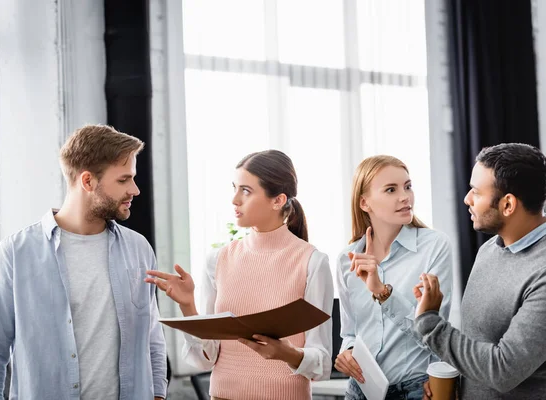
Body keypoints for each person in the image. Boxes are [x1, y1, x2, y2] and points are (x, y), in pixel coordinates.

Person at [0, 124, 168, 399]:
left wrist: (158, 393)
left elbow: (151, 336)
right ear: (88, 181)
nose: (135, 189)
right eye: (123, 180)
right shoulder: (15, 253)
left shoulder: (138, 249)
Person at [146, 150, 333, 400]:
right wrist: (188, 305)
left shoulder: (312, 262)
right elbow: (205, 359)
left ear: (278, 200)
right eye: (235, 188)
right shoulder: (218, 259)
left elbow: (322, 363)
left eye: (246, 190)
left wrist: (286, 353)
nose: (235, 199)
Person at [415, 143, 546, 399]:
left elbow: (503, 370)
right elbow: (478, 341)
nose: (467, 199)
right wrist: (455, 383)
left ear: (508, 205)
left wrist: (430, 323)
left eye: (476, 191)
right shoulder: (490, 249)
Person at [335, 155, 453, 400]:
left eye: (408, 186)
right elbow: (350, 332)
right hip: (359, 390)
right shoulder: (347, 260)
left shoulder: (434, 246)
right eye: (391, 190)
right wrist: (347, 351)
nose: (405, 197)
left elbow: (435, 336)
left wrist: (381, 291)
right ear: (364, 203)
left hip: (415, 390)